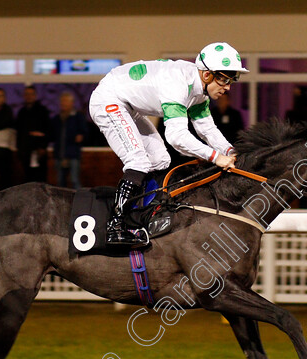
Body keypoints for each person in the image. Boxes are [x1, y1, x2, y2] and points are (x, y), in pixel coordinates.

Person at [89, 42, 245, 246]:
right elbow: (177, 137)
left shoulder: (198, 91)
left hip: (127, 106)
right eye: (224, 80)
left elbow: (207, 130)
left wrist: (231, 151)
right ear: (207, 75)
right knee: (138, 161)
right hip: (109, 100)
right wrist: (216, 158)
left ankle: (140, 217)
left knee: (160, 160)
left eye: (233, 80)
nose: (228, 87)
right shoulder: (178, 84)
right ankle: (115, 226)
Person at [50, 92, 88, 189]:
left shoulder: (78, 117)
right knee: (60, 182)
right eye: (62, 101)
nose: (63, 104)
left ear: (72, 103)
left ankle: (80, 201)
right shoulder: (57, 119)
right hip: (59, 154)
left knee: (74, 180)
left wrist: (81, 136)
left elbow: (85, 132)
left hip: (73, 154)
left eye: (66, 101)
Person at [16, 86, 51, 183]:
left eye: (31, 94)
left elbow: (47, 130)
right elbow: (19, 132)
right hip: (25, 152)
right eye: (27, 94)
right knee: (27, 179)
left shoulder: (42, 111)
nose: (29, 97)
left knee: (40, 179)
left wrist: (42, 146)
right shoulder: (22, 112)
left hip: (39, 152)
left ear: (35, 96)